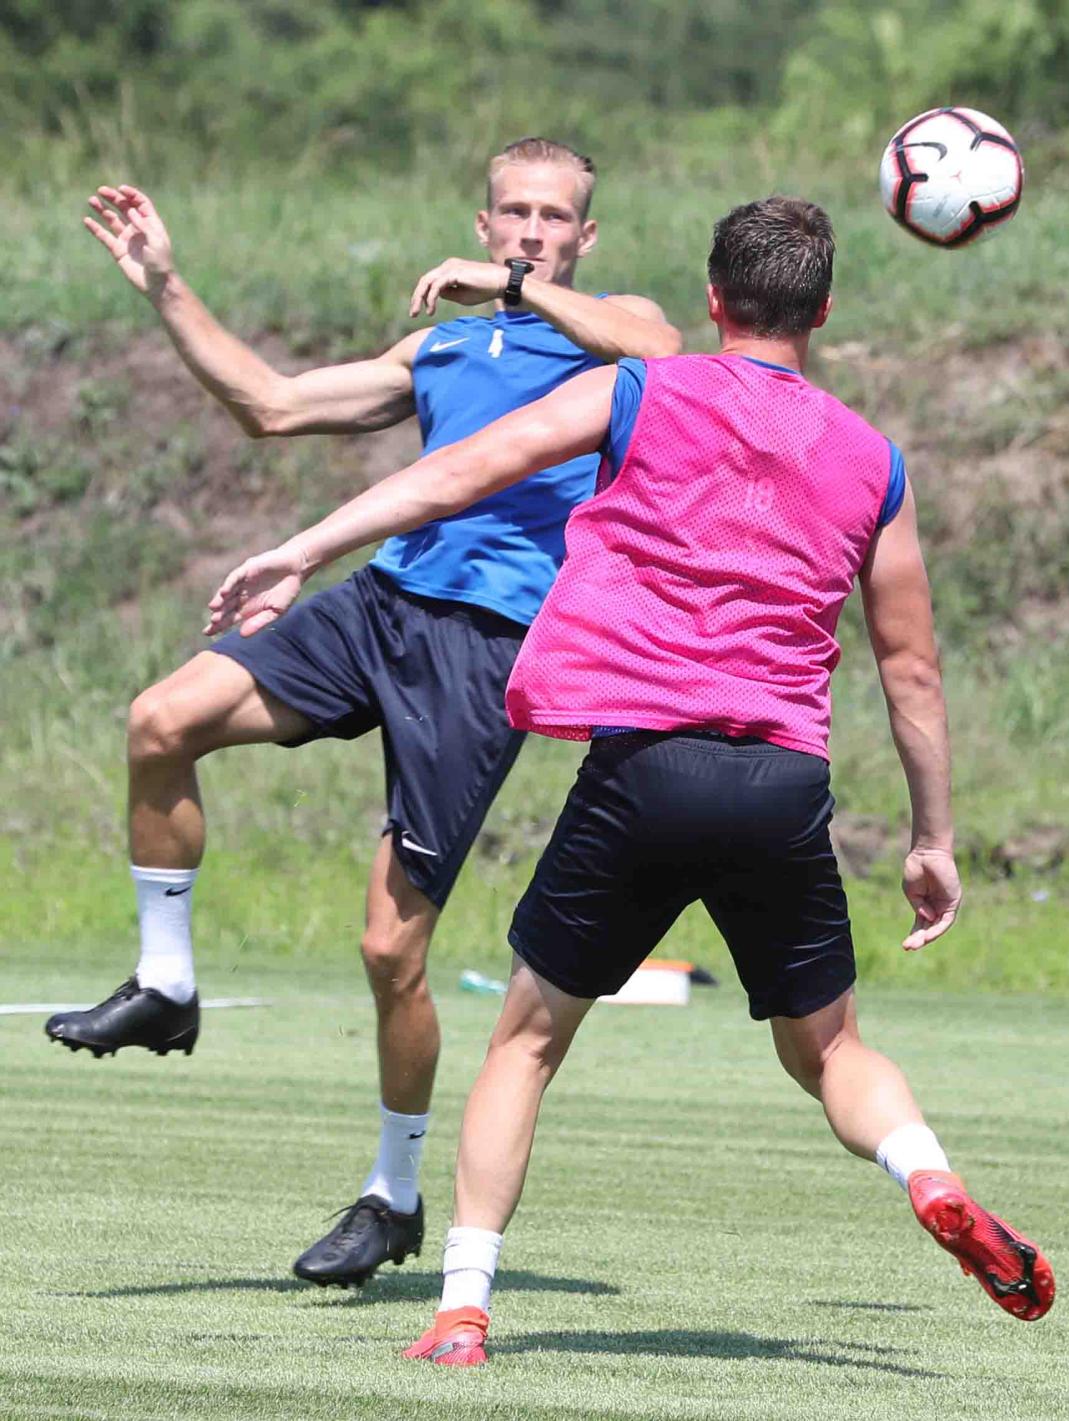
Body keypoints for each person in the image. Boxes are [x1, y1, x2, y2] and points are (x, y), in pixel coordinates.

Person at [204, 195, 1055, 1363]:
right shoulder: (874, 460)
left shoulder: (639, 390)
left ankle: (462, 1306)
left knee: (526, 1040)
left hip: (644, 768)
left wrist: (302, 548)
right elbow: (912, 667)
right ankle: (929, 1176)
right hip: (779, 781)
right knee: (830, 1049)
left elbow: (461, 473)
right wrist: (932, 838)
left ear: (713, 298)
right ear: (823, 311)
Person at [44, 138, 683, 1288]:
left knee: (391, 948)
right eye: (514, 213)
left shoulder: (616, 334)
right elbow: (271, 403)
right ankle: (167, 983)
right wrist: (164, 284)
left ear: (585, 237)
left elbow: (667, 352)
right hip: (379, 604)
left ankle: (393, 1193)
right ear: (483, 221)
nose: (532, 230)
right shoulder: (442, 345)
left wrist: (521, 288)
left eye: (554, 217)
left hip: (485, 650)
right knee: (160, 720)